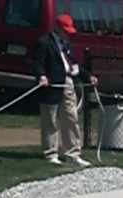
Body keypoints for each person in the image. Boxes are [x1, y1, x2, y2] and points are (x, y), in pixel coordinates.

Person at [33, 14, 97, 166]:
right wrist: (41, 76)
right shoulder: (44, 42)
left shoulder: (66, 44)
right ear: (57, 28)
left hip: (67, 82)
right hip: (51, 84)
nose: (68, 33)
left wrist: (88, 77)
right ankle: (51, 153)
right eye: (65, 30)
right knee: (50, 120)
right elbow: (37, 63)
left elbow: (73, 65)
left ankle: (73, 153)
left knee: (71, 117)